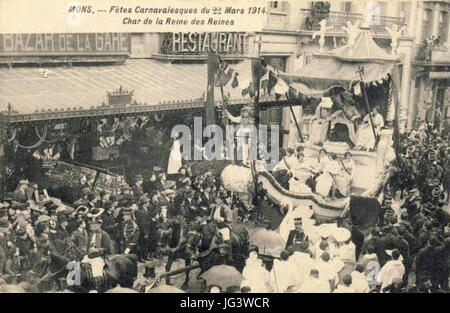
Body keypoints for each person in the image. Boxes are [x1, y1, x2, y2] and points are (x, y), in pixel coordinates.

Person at [82, 217, 112, 291]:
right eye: (92, 226)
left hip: (99, 257)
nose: (92, 228)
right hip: (89, 256)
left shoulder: (104, 234)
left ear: (99, 225)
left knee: (96, 274)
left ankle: (97, 288)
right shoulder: (91, 234)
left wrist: (97, 250)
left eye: (94, 226)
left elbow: (107, 248)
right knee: (79, 267)